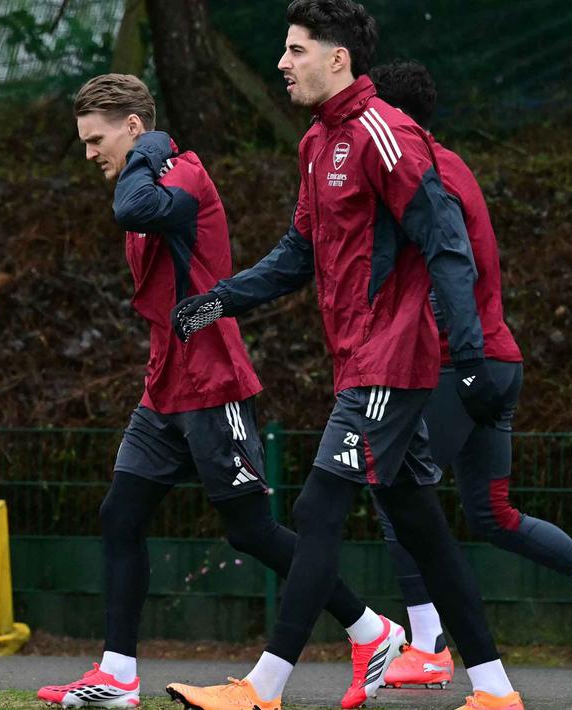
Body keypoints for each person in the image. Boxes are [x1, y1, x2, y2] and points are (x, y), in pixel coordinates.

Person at [167, 2, 525, 709]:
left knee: (317, 504)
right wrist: (220, 299)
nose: (281, 62)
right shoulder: (313, 144)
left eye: (296, 50)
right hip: (360, 357)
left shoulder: (384, 134)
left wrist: (472, 356)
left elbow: (445, 245)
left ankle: (262, 687)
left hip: (392, 358)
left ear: (338, 59)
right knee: (416, 517)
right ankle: (494, 690)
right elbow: (297, 253)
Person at [36, 73, 399, 709]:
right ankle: (118, 677)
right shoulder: (146, 173)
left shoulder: (181, 177)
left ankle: (374, 631)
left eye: (97, 139)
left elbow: (134, 209)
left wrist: (152, 150)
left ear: (133, 127)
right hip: (164, 386)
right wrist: (142, 157)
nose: (89, 152)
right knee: (120, 515)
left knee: (251, 531)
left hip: (213, 382)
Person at [362, 60, 572, 689]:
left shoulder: (421, 175)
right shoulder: (452, 164)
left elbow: (452, 271)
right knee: (492, 514)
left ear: (391, 119)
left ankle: (428, 646)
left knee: (390, 485)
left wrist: (457, 359)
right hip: (500, 362)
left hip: (460, 362)